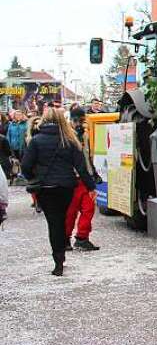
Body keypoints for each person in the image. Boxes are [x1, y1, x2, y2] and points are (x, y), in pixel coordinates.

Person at [20, 106, 95, 276]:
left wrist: (34, 176)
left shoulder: (36, 140)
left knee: (54, 223)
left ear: (44, 120)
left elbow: (25, 166)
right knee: (62, 219)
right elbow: (81, 167)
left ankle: (58, 260)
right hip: (67, 186)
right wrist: (91, 187)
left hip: (46, 188)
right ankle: (61, 253)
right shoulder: (70, 139)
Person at [64, 106, 100, 251]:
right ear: (71, 121)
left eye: (82, 121)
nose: (79, 124)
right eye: (77, 121)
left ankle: (82, 237)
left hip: (85, 178)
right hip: (72, 178)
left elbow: (87, 156)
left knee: (89, 208)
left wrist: (93, 173)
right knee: (70, 212)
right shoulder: (66, 136)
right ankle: (65, 238)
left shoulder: (84, 135)